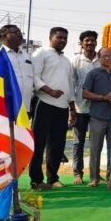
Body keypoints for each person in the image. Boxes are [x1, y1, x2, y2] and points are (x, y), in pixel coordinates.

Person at [30, 27, 76, 189]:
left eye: (65, 38)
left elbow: (70, 84)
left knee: (57, 145)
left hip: (62, 107)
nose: (62, 40)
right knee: (38, 143)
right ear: (50, 38)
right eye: (59, 37)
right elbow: (33, 76)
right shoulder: (40, 53)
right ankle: (36, 180)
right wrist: (49, 90)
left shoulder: (66, 60)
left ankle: (53, 178)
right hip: (44, 103)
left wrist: (72, 107)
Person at [82, 47, 111, 187]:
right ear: (99, 58)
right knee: (95, 149)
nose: (107, 58)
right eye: (104, 56)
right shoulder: (93, 74)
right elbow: (85, 93)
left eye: (109, 56)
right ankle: (94, 178)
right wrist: (103, 97)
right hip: (97, 116)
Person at [0, 25, 34, 113]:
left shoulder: (27, 57)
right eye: (15, 32)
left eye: (20, 32)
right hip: (1, 109)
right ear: (3, 36)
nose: (19, 35)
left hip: (24, 109)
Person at [70, 30, 99, 185]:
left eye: (93, 40)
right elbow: (71, 84)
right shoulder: (76, 61)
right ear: (81, 43)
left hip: (98, 108)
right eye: (87, 40)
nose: (90, 43)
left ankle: (95, 174)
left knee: (96, 143)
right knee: (78, 142)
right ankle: (77, 173)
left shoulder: (101, 61)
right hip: (80, 107)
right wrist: (71, 108)